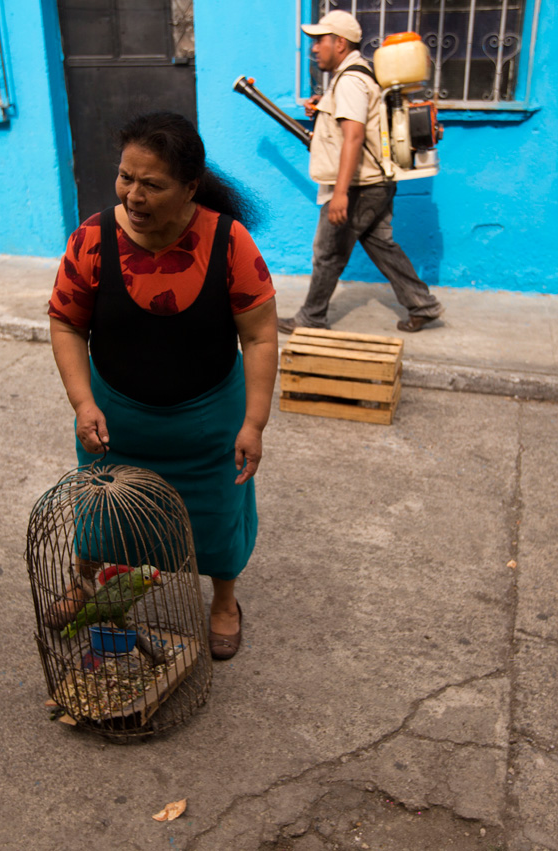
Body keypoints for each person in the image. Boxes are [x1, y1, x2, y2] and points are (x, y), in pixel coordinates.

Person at [47, 112, 278, 661]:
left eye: (152, 184)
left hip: (207, 426)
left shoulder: (229, 242)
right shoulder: (93, 239)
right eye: (126, 177)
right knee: (101, 514)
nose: (134, 195)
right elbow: (66, 322)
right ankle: (85, 583)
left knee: (218, 520)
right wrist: (83, 403)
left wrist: (254, 422)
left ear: (190, 187)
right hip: (115, 423)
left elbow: (262, 337)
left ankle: (223, 601)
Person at [277, 10, 445, 335]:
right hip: (375, 182)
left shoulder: (351, 81)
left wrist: (340, 193)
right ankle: (422, 305)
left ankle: (311, 318)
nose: (314, 48)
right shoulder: (356, 75)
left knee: (328, 253)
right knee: (381, 245)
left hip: (359, 186)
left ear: (340, 43)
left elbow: (353, 136)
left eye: (319, 40)